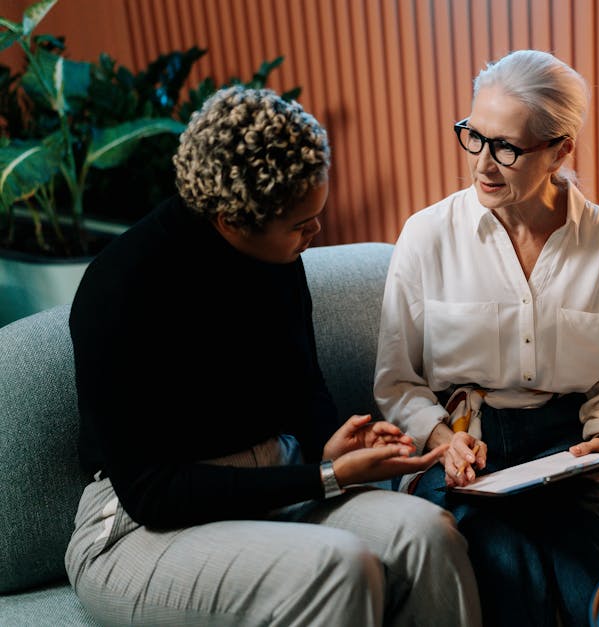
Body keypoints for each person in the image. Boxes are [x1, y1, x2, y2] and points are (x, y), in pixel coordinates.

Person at [66, 85, 481, 627]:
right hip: (139, 529)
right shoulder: (119, 289)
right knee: (339, 568)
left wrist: (330, 446)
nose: (316, 233)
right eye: (301, 225)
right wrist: (327, 476)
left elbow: (302, 389)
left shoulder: (278, 259)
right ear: (232, 221)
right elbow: (153, 494)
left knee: (428, 535)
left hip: (270, 484)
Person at [373, 50, 599, 626]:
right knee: (508, 566)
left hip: (568, 444)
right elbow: (398, 380)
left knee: (595, 584)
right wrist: (439, 438)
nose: (483, 164)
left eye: (506, 147)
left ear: (560, 150)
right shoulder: (427, 236)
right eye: (474, 137)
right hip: (463, 442)